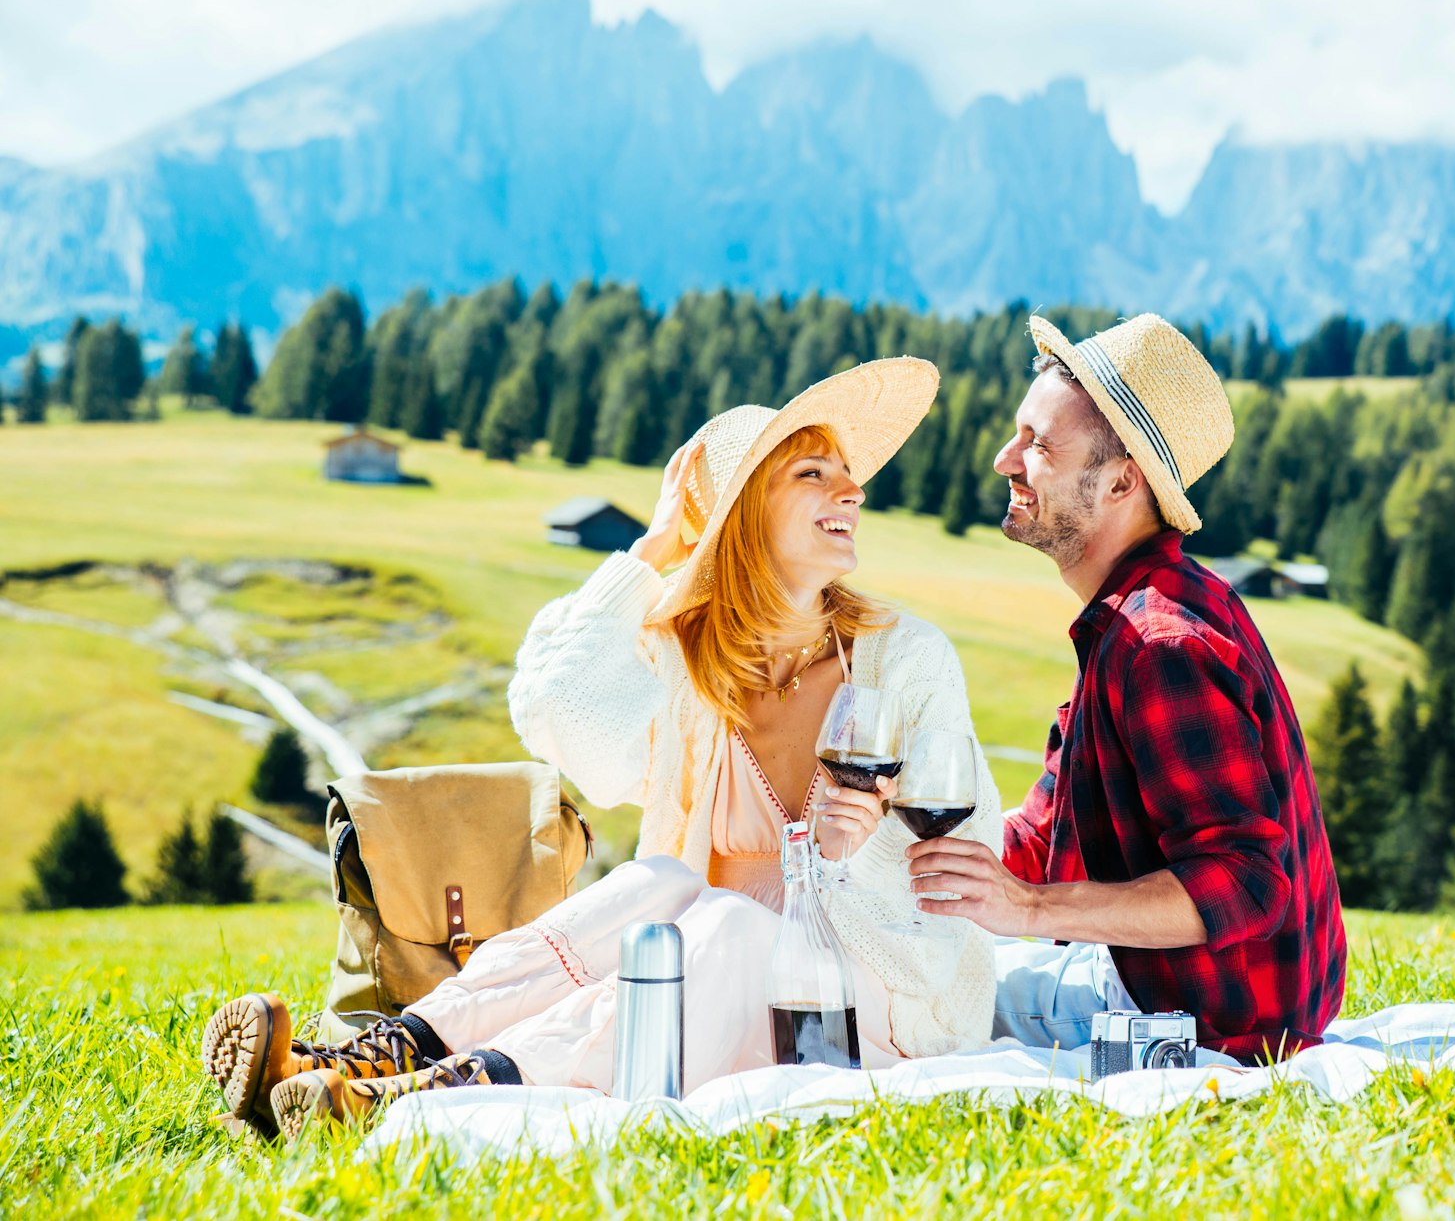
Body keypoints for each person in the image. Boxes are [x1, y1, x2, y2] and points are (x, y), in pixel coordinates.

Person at [201, 359, 1003, 1138]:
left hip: (883, 1002)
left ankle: (450, 1090)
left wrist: (848, 856)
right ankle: (372, 1060)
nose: (852, 490)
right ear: (741, 518)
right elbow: (553, 707)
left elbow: (963, 868)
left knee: (721, 921)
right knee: (656, 880)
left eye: (845, 473)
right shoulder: (694, 666)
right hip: (708, 975)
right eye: (813, 474)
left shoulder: (907, 660)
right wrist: (653, 546)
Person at [906, 315, 1346, 1063]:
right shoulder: (1130, 618)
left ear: (1119, 481)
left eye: (1038, 443)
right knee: (913, 961)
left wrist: (1026, 909)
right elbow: (1040, 838)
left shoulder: (1158, 646)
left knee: (895, 997)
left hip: (1209, 1023)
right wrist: (891, 843)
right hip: (1176, 986)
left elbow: (1245, 883)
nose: (1003, 459)